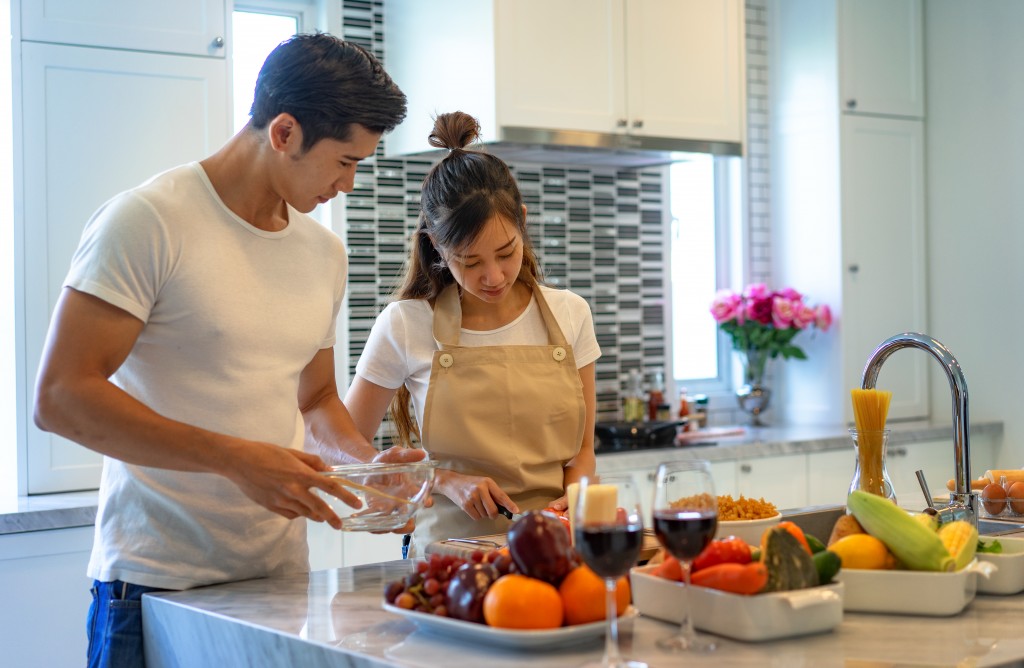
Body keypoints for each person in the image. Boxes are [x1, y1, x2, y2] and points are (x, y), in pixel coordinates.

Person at [32, 34, 419, 668]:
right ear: (285, 132)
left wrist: (365, 470)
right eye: (345, 161)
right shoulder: (148, 220)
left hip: (279, 580)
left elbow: (317, 398)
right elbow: (60, 397)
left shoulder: (324, 255)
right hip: (151, 584)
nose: (348, 184)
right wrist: (237, 460)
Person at [344, 111, 600, 557]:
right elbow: (346, 453)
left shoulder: (571, 314)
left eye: (506, 253)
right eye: (469, 261)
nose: (494, 276)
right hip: (448, 557)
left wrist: (577, 498)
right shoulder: (406, 323)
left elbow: (582, 456)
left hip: (557, 551)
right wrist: (442, 480)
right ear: (436, 248)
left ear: (522, 222)